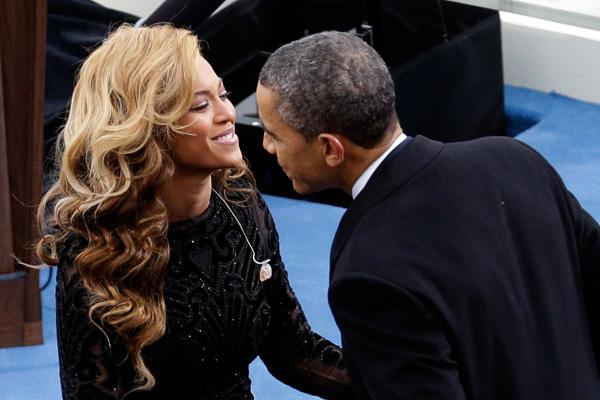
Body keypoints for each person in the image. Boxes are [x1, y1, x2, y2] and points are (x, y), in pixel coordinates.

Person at [255, 30, 600, 399]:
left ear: (330, 149)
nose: (266, 146)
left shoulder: (368, 274)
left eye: (274, 134)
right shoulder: (515, 159)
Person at [36, 24, 353, 400]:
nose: (228, 114)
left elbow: (294, 353)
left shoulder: (242, 205)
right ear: (148, 129)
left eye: (223, 95)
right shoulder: (98, 246)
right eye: (201, 105)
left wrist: (410, 383)